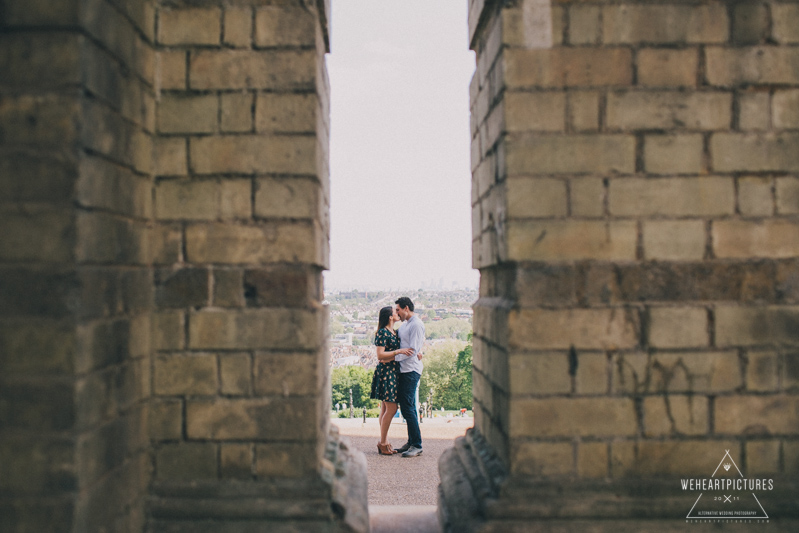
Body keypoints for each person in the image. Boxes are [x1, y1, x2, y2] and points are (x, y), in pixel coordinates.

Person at [370, 306, 413, 455]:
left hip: (392, 371)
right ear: (390, 317)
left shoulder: (393, 332)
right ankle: (383, 442)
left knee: (384, 409)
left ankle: (384, 441)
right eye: (395, 312)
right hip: (387, 372)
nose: (397, 313)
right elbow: (380, 355)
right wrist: (399, 352)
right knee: (392, 408)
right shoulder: (382, 332)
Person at [392, 296, 425, 458]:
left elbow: (412, 349)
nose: (397, 313)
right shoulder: (406, 325)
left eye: (398, 309)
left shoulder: (417, 325)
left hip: (411, 370)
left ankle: (417, 444)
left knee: (408, 407)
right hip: (404, 369)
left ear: (406, 308)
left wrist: (393, 357)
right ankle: (411, 441)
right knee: (407, 406)